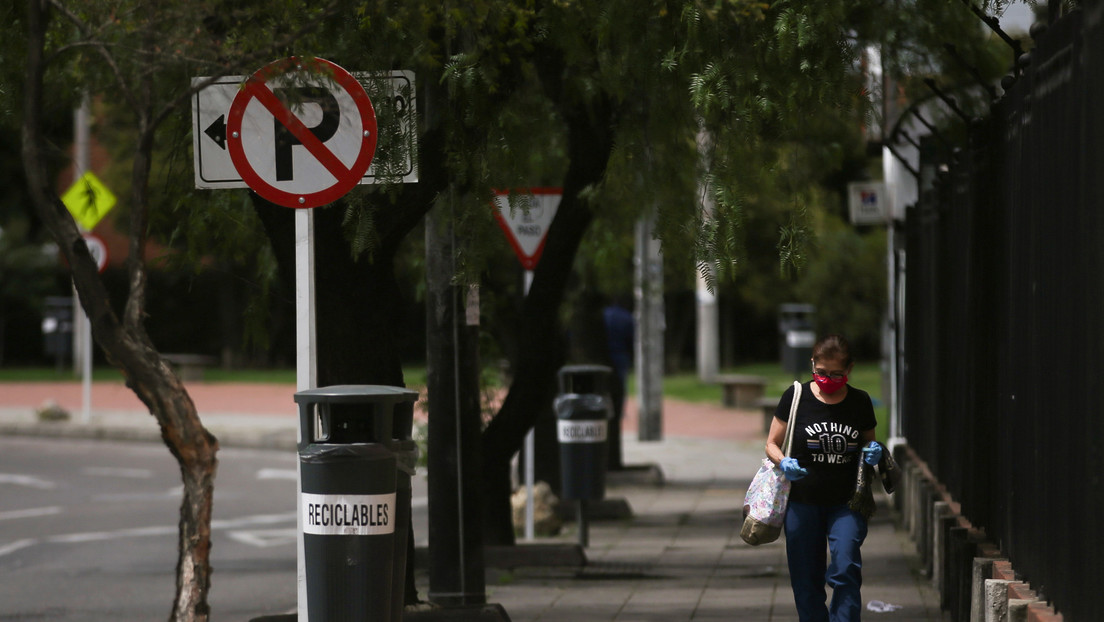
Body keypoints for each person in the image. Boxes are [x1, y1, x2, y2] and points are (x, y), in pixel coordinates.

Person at [765, 334, 882, 622]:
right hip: (802, 503)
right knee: (806, 580)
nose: (827, 379)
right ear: (812, 364)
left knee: (845, 568)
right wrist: (784, 461)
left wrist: (874, 452)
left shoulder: (860, 402)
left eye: (836, 374)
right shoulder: (795, 397)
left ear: (849, 369)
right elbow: (771, 443)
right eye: (820, 373)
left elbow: (870, 442)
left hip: (847, 503)